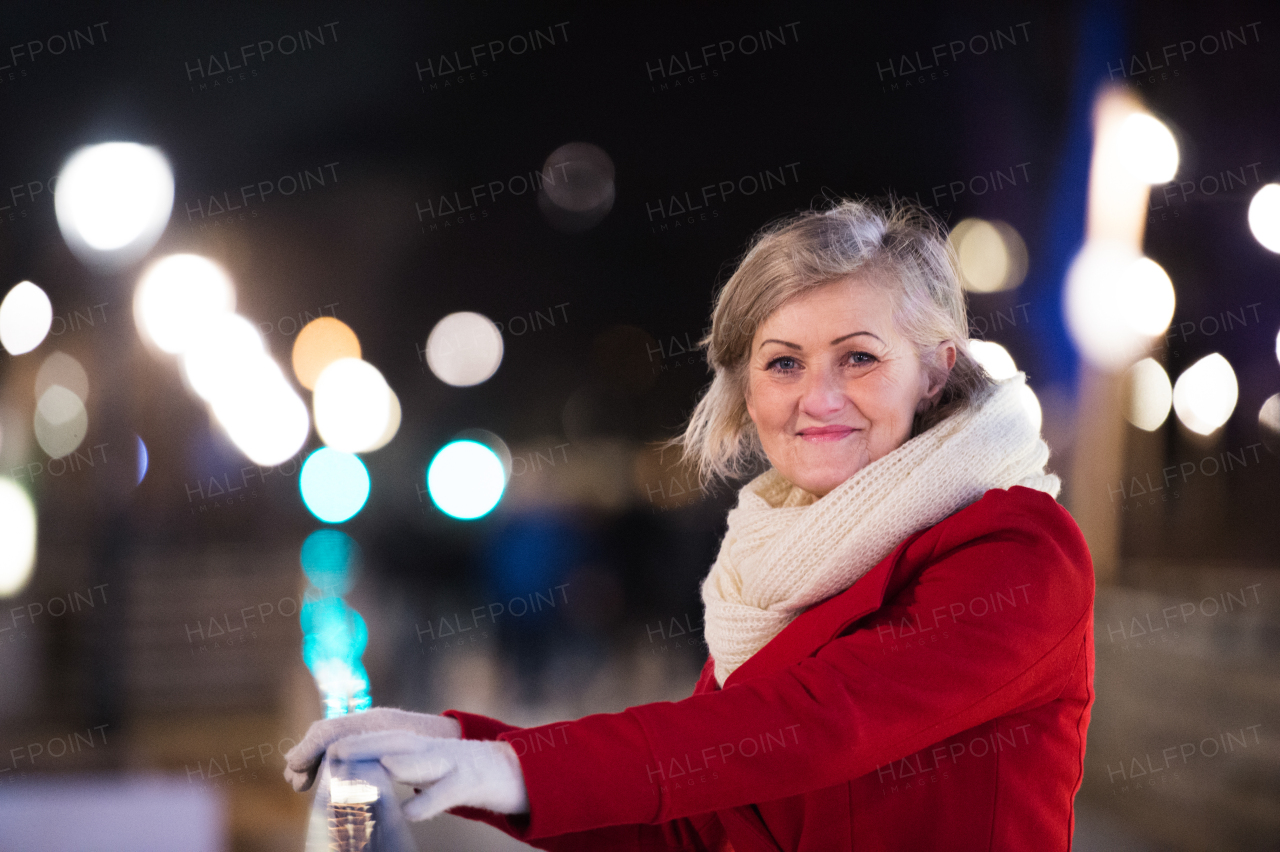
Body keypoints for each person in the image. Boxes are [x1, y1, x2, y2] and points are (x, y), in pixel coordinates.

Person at [284, 198, 1095, 851]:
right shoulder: (777, 563)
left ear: (935, 368)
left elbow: (810, 726)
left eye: (858, 356)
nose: (817, 398)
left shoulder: (1019, 549)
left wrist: (513, 764)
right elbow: (702, 819)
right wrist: (458, 741)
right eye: (783, 362)